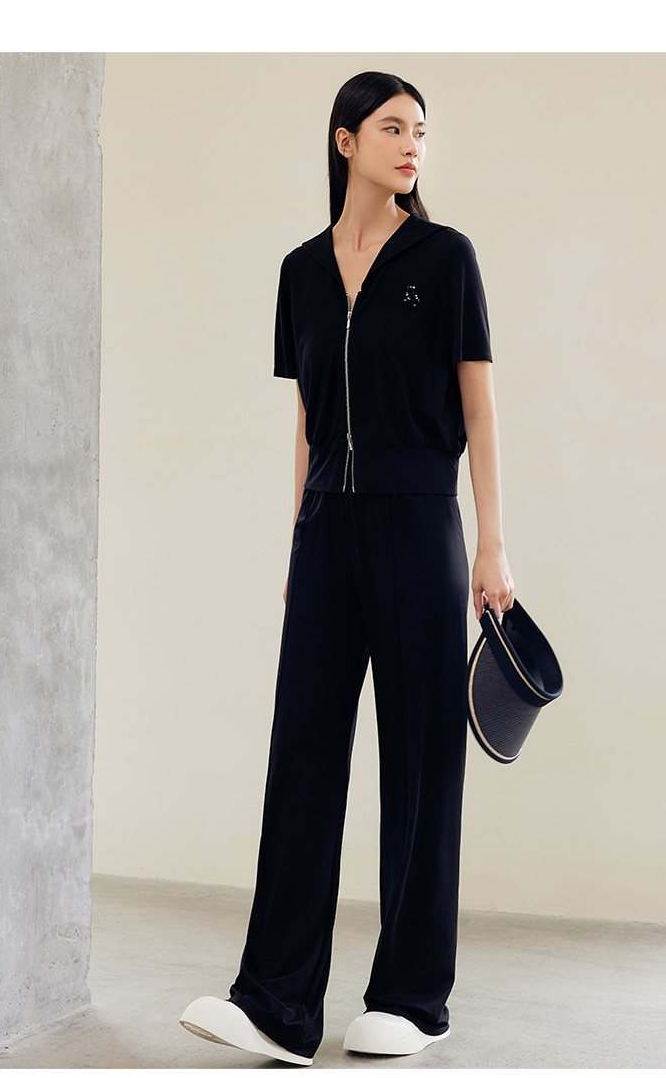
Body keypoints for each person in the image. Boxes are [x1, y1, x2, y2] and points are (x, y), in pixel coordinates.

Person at [180, 70, 515, 1064]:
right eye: (392, 128)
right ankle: (277, 1004)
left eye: (421, 131)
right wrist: (300, 532)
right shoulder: (300, 271)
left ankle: (410, 999)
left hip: (420, 521)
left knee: (421, 761)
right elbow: (306, 415)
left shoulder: (445, 259)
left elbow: (480, 406)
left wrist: (491, 542)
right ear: (345, 141)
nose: (412, 145)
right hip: (328, 525)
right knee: (303, 753)